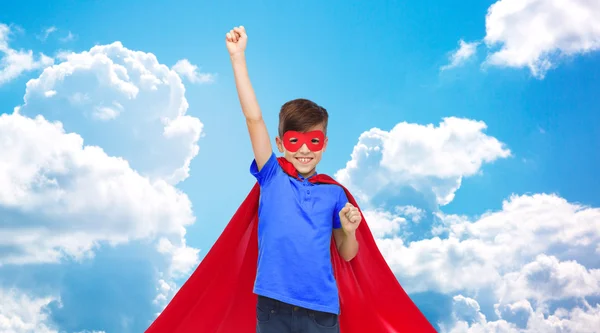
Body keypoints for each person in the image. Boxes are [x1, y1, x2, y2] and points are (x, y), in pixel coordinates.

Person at [226, 25, 361, 333]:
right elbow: (253, 118)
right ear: (279, 143)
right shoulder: (272, 176)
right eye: (293, 140)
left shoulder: (334, 193)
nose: (303, 150)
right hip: (273, 308)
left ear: (324, 145)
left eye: (313, 141)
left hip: (321, 312)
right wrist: (237, 57)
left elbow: (346, 253)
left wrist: (350, 231)